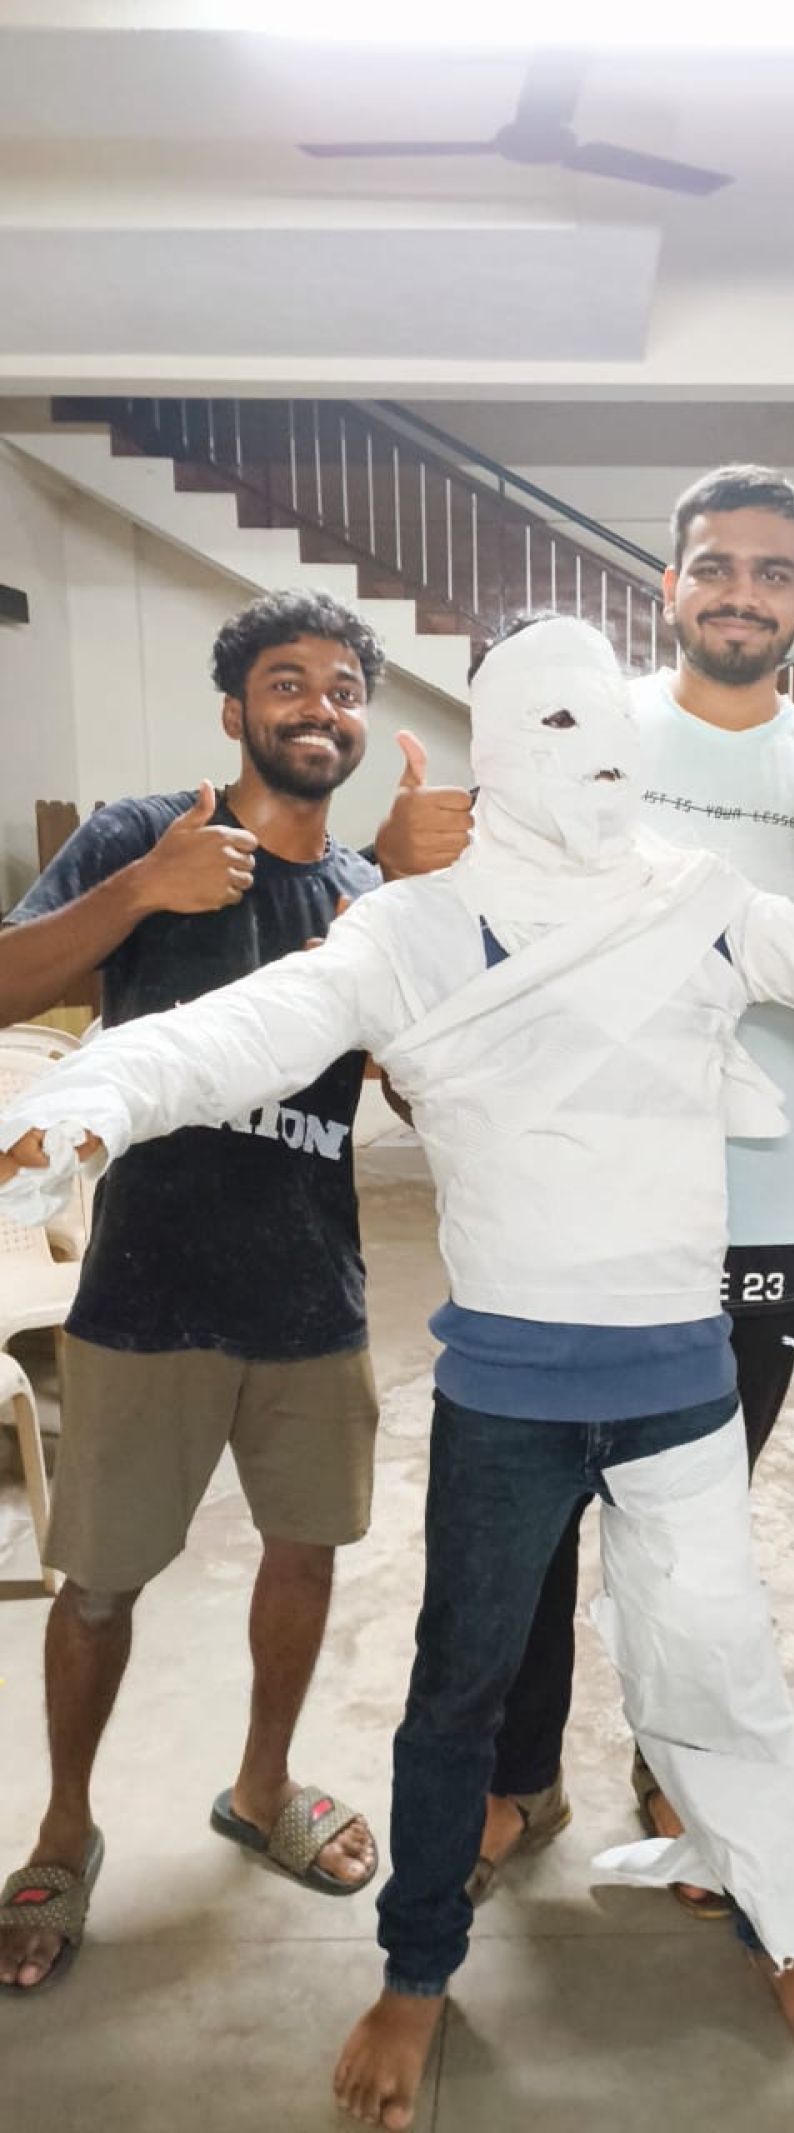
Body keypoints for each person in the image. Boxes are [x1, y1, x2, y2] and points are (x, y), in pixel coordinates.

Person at [2, 617, 794, 2129]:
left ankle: (787, 1932)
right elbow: (232, 1032)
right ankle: (417, 1972)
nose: (604, 759)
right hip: (505, 1403)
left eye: (615, 734)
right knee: (455, 1696)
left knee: (724, 1678)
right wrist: (88, 1104)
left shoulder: (699, 903)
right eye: (563, 729)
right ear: (502, 747)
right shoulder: (411, 928)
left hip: (679, 1388)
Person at [374, 466, 794, 1908]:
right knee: (529, 1537)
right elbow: (455, 932)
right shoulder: (586, 729)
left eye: (771, 570)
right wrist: (395, 870)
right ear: (672, 585)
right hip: (566, 1223)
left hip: (758, 1231)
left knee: (689, 1546)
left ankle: (676, 1775)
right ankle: (518, 1777)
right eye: (715, 565)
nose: (742, 592)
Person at [0, 589, 389, 1997]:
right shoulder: (140, 835)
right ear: (235, 710)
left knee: (306, 1552)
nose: (317, 706)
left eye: (342, 687)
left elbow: (426, 1079)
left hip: (312, 1290)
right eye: (286, 682)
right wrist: (139, 893)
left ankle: (262, 1785)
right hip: (144, 1292)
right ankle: (63, 1827)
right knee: (100, 1584)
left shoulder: (369, 895)